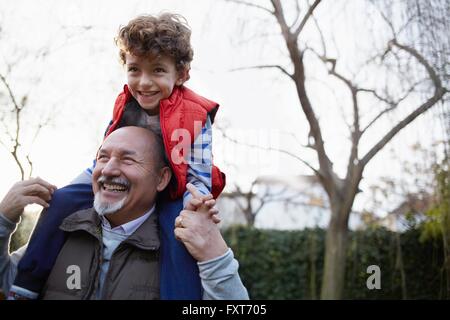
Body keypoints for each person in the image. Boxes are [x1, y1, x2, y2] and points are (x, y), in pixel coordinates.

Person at [10, 13, 226, 299]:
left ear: (182, 74)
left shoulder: (194, 115)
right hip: (122, 174)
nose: (144, 82)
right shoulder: (125, 105)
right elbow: (106, 153)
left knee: (180, 236)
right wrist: (89, 180)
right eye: (135, 69)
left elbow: (198, 169)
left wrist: (194, 203)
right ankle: (25, 285)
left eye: (158, 71)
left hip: (175, 187)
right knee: (60, 200)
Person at [0, 126, 248, 299]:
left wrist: (215, 254)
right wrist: (3, 220)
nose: (108, 169)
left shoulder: (183, 250)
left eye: (127, 160)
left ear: (161, 179)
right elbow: (7, 283)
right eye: (102, 158)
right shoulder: (63, 229)